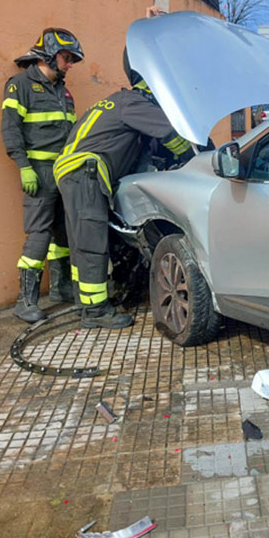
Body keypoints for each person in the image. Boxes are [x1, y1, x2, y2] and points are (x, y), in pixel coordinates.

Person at [52, 48, 194, 329]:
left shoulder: (115, 102)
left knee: (83, 240)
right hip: (86, 172)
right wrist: (193, 158)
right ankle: (96, 313)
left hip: (70, 171)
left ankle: (88, 304)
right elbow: (169, 134)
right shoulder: (134, 103)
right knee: (92, 242)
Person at [2, 28, 84, 323]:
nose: (70, 64)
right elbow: (10, 128)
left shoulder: (63, 91)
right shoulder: (21, 85)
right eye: (67, 57)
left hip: (63, 172)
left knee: (62, 231)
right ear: (50, 54)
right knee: (39, 234)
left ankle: (61, 288)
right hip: (38, 172)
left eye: (73, 58)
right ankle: (26, 302)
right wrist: (23, 166)